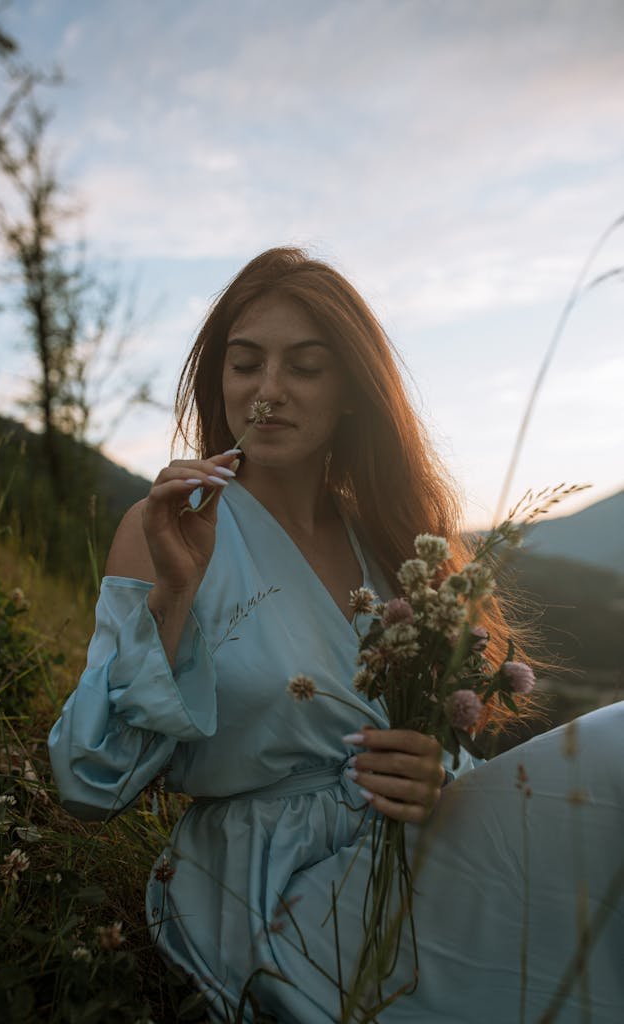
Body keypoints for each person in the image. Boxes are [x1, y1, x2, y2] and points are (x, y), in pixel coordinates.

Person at [49, 248, 623, 1023]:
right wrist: (174, 597)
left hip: (411, 854)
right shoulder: (169, 529)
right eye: (244, 363)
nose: (268, 391)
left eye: (306, 368)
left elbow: (437, 741)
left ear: (350, 391)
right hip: (275, 889)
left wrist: (433, 766)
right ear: (219, 380)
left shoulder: (387, 542)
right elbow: (89, 785)